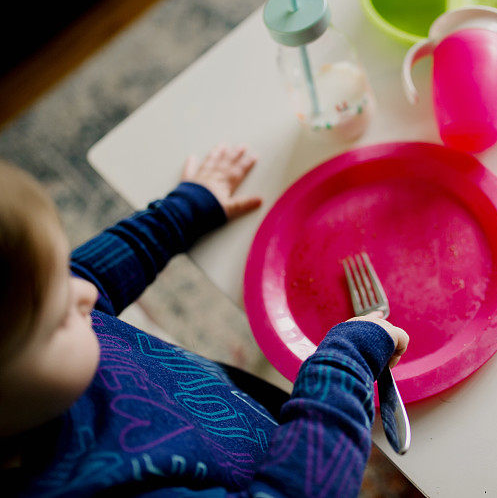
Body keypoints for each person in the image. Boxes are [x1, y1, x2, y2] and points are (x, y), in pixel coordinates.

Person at [0, 145, 409, 497]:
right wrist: (345, 362)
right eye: (58, 317)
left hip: (234, 413)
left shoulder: (33, 361)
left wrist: (180, 213)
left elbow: (88, 274)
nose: (84, 293)